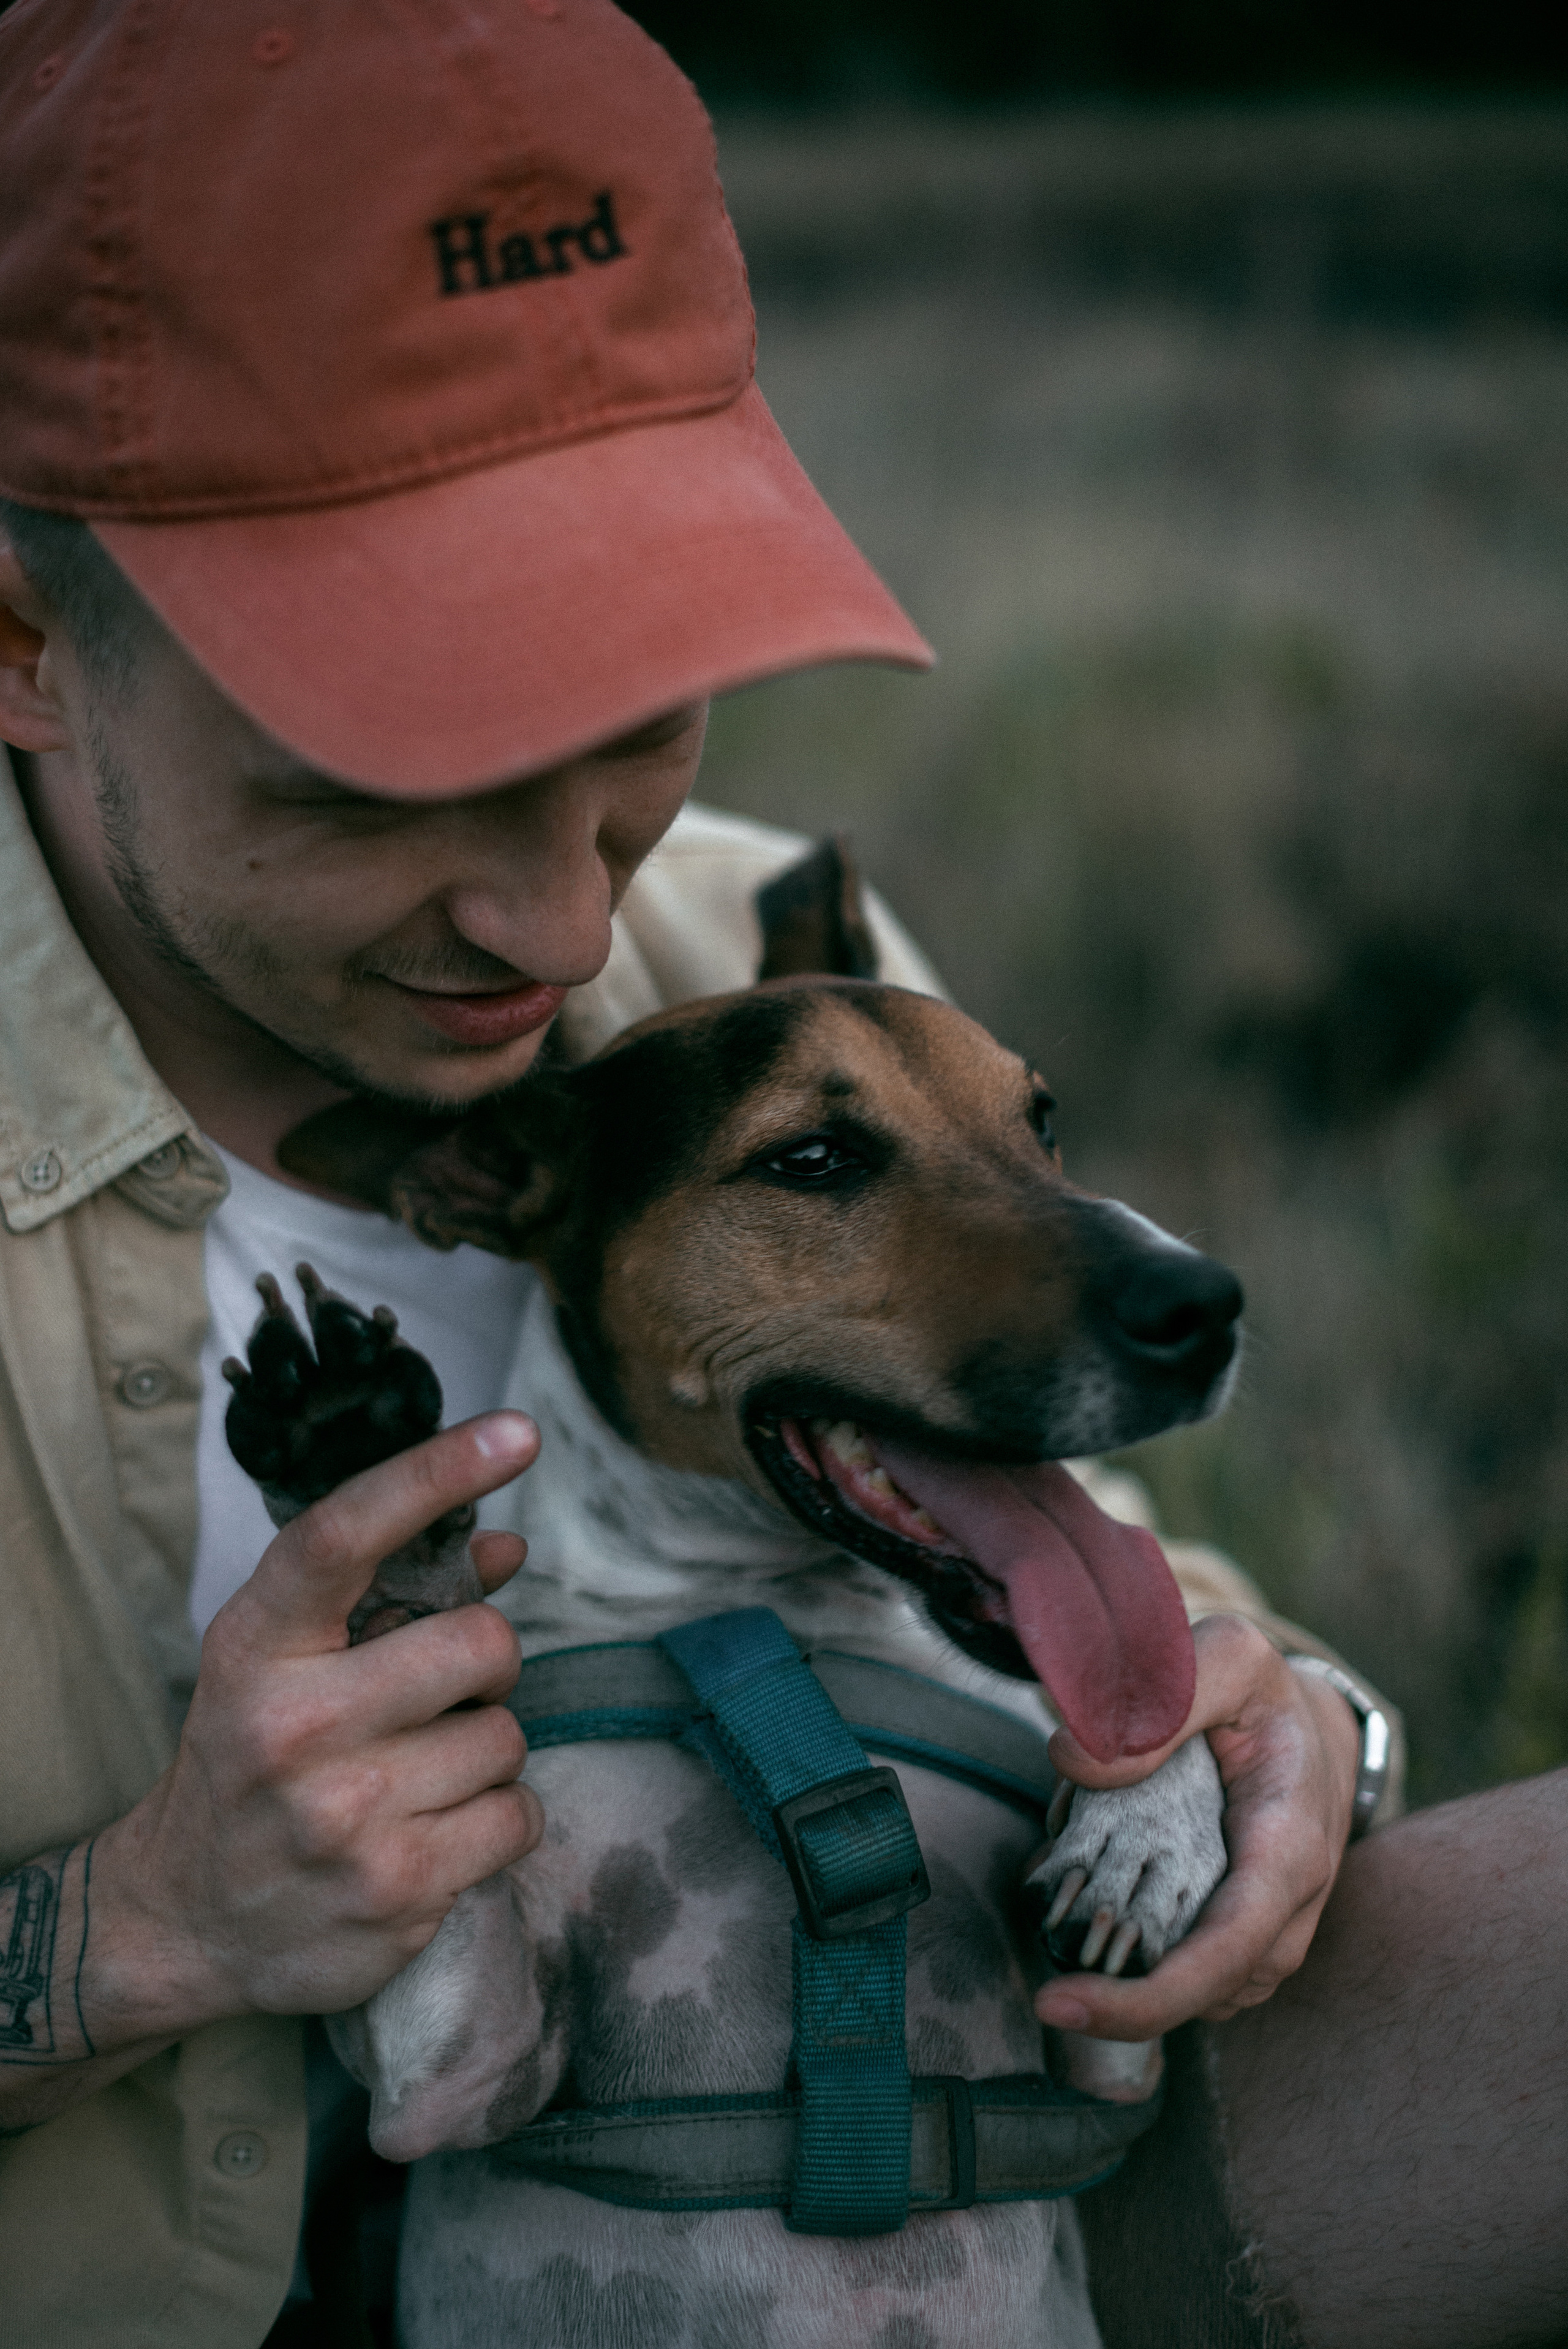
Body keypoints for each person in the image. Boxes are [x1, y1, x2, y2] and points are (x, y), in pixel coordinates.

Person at [0, 2, 1392, 2342]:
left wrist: (1298, 1729)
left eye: (632, 707)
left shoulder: (747, 939)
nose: (565, 932)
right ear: (29, 644)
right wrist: (137, 1926)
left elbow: (1119, 1574)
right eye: (376, 772)